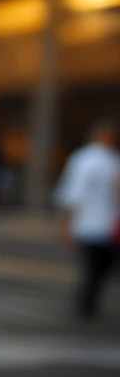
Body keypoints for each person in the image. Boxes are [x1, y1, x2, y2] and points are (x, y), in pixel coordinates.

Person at [56, 118, 120, 321]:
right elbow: (74, 194)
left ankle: (88, 304)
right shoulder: (87, 159)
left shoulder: (109, 159)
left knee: (100, 268)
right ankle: (87, 305)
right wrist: (66, 224)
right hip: (93, 223)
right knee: (95, 268)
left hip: (106, 224)